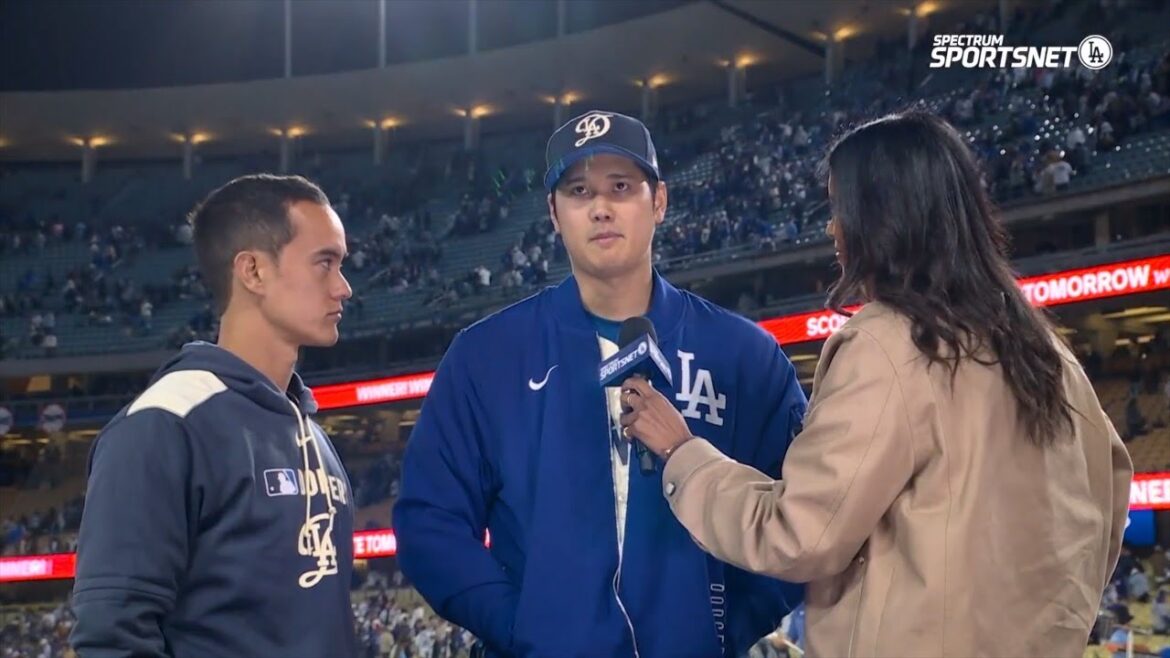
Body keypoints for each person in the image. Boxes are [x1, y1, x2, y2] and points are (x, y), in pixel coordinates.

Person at [619, 111, 1132, 656]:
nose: (832, 229)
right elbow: (1108, 498)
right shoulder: (1046, 349)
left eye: (839, 208)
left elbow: (800, 534)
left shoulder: (889, 343)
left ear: (880, 216)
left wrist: (683, 453)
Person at [393, 111, 807, 657]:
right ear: (553, 213)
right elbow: (430, 520)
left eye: (621, 187)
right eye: (579, 191)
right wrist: (518, 627)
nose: (600, 207)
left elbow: (800, 509)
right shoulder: (487, 356)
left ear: (659, 201)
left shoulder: (744, 355)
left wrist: (723, 628)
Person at [71, 174, 358, 657]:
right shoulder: (164, 423)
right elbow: (112, 638)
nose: (343, 287)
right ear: (253, 271)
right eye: (324, 263)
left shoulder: (311, 433)